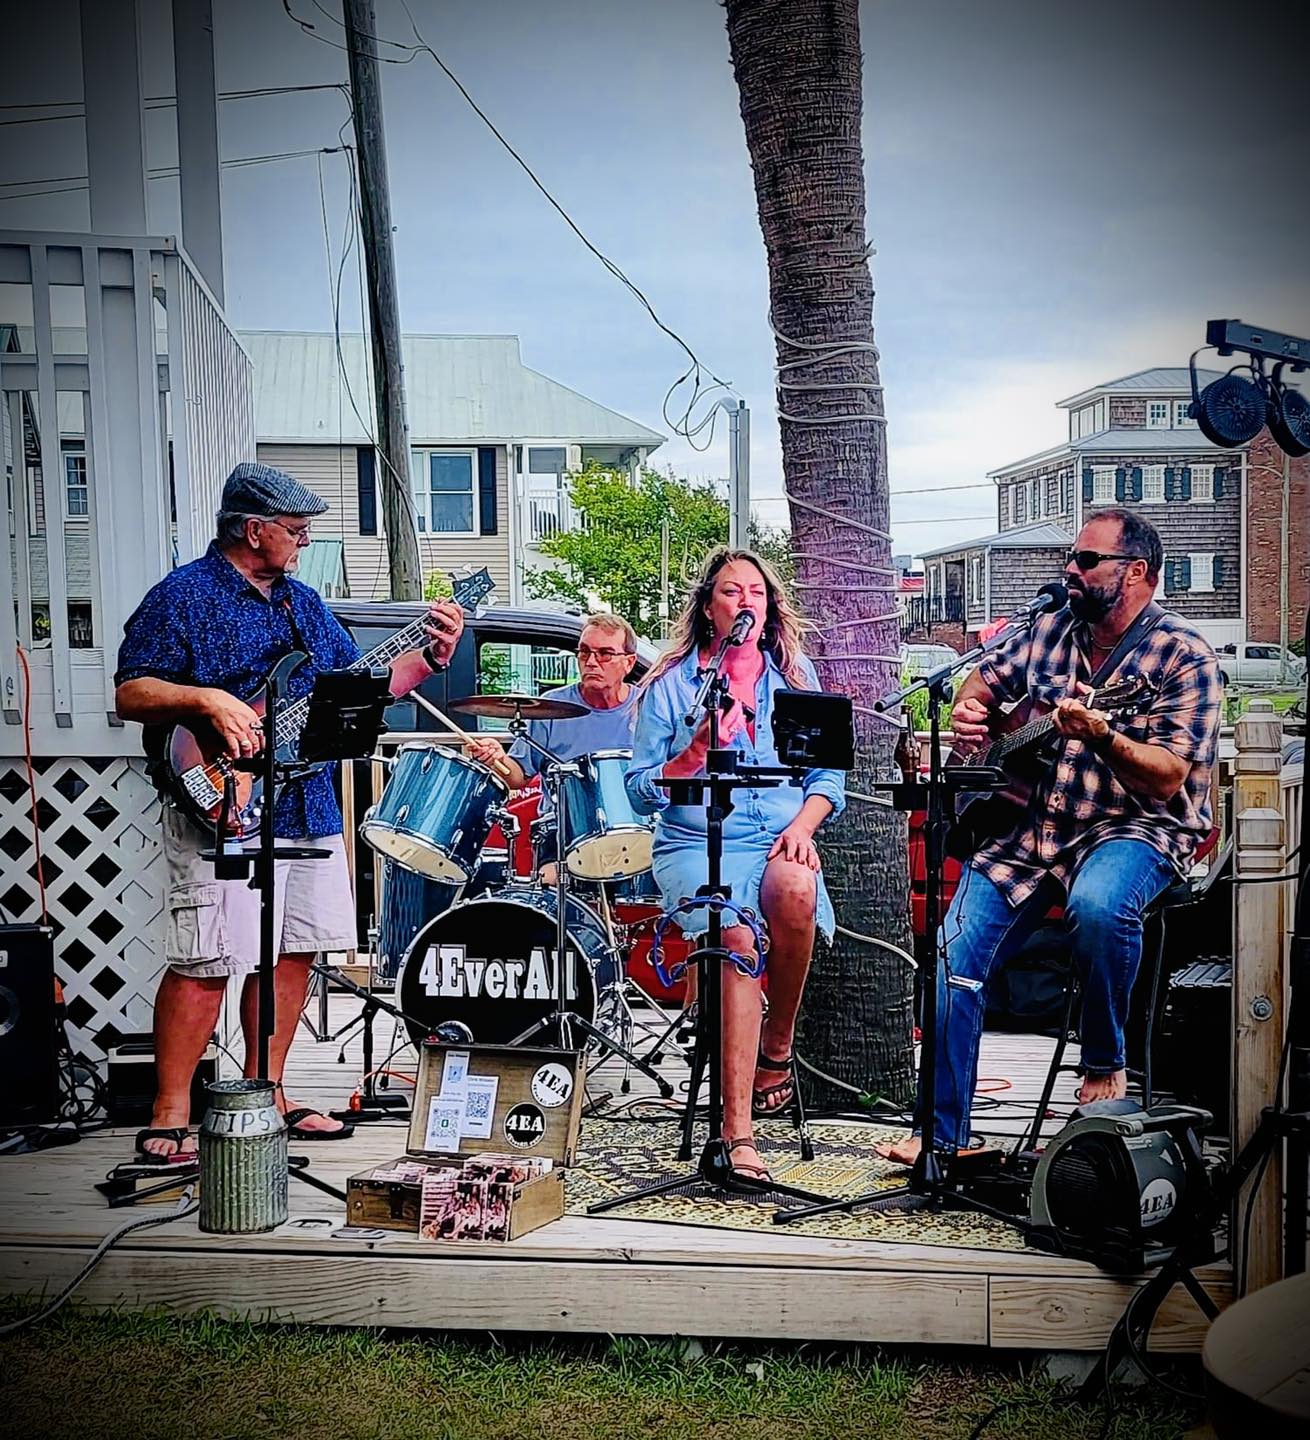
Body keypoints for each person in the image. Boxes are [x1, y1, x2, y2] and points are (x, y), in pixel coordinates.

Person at [115, 461, 465, 1160]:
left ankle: (265, 1092)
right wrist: (204, 699)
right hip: (218, 800)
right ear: (254, 530)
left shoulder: (304, 604)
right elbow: (131, 691)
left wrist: (428, 659)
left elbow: (362, 685)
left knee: (294, 950)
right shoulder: (181, 597)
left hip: (304, 801)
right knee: (206, 955)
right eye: (295, 530)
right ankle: (173, 1107)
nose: (303, 542)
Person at [877, 508, 1223, 1167]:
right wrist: (974, 714)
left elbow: (1167, 778)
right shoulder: (1048, 628)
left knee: (1098, 904)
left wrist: (1101, 733)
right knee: (952, 960)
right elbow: (983, 682)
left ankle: (1104, 1065)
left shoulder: (1184, 656)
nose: (1072, 568)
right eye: (1072, 557)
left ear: (1137, 573)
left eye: (1088, 560)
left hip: (1132, 828)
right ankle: (942, 1134)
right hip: (1028, 823)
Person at [625, 548, 846, 1187]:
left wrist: (803, 826)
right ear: (709, 608)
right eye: (730, 592)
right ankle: (737, 1131)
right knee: (736, 933)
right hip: (696, 840)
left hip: (778, 835)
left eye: (756, 591)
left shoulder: (794, 677)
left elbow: (826, 773)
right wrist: (694, 752)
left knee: (798, 887)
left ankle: (778, 1046)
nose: (745, 601)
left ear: (770, 606)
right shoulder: (670, 686)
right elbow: (639, 789)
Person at [465, 613, 641, 878]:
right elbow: (516, 777)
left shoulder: (648, 708)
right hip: (562, 832)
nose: (591, 662)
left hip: (635, 828)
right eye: (584, 652)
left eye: (604, 654)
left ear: (629, 663)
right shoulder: (551, 707)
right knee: (551, 886)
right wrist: (496, 758)